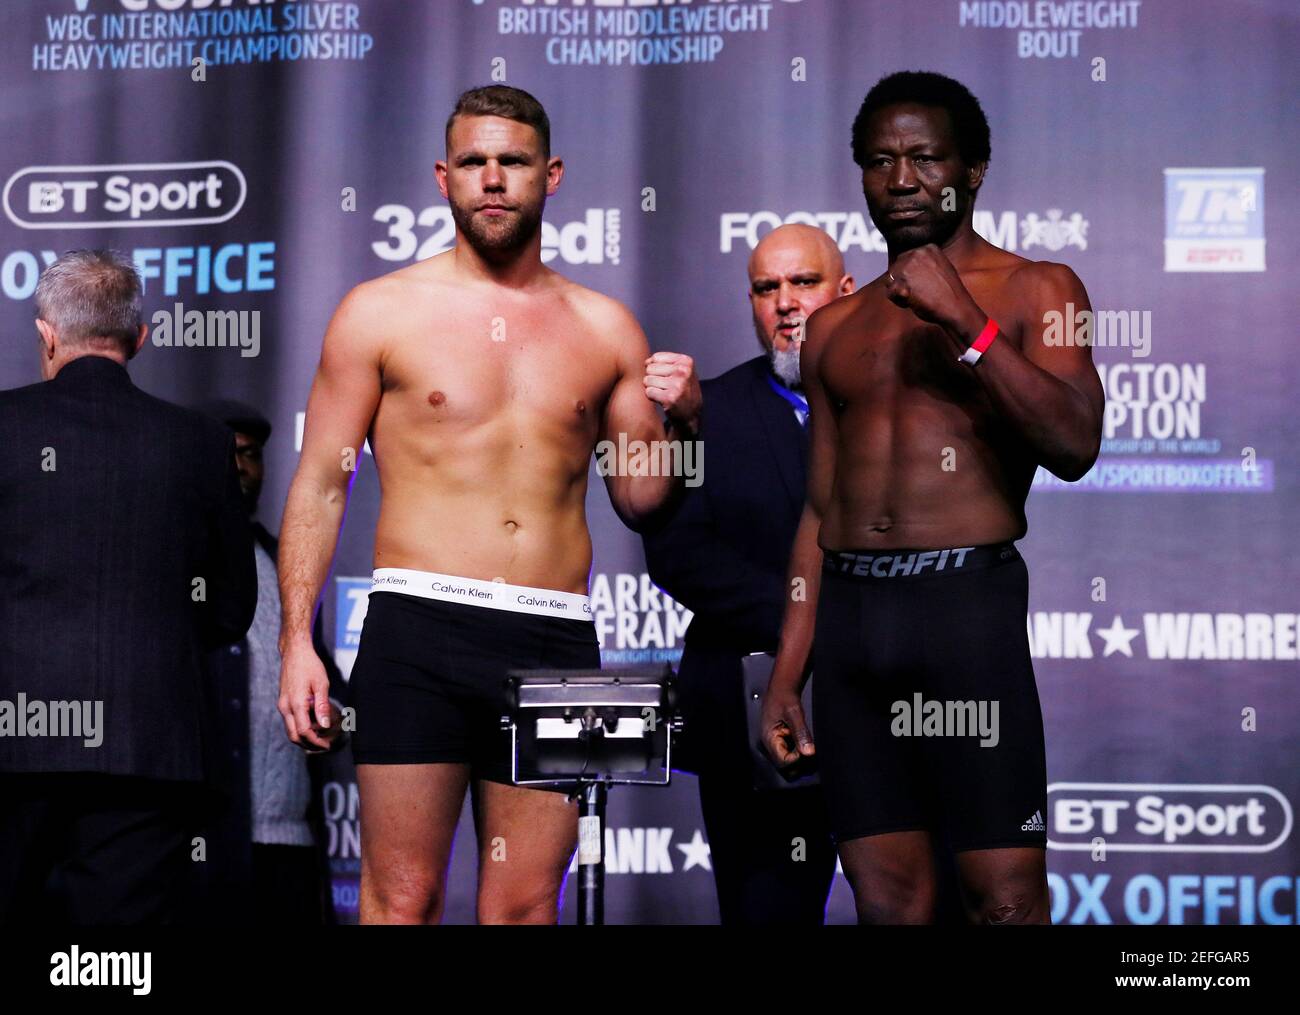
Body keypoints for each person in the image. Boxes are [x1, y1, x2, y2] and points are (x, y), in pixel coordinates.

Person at [276, 85, 701, 925]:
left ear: (552, 174)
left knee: (523, 905)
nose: (494, 179)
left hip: (553, 639)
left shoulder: (606, 327)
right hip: (417, 627)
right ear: (444, 177)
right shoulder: (380, 312)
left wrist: (684, 423)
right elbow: (323, 482)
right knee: (402, 901)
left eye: (512, 161)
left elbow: (643, 499)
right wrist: (297, 640)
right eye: (475, 162)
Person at [760, 71, 1104, 925]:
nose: (902, 179)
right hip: (852, 629)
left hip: (965, 614)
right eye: (880, 161)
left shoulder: (1039, 288)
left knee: (1007, 901)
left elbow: (1075, 443)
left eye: (924, 157)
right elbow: (819, 509)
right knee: (891, 901)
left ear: (974, 169)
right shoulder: (835, 327)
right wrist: (787, 668)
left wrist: (967, 324)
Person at [0, 249, 257, 925]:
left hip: (12, 742)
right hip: (147, 746)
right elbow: (231, 609)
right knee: (114, 964)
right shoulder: (201, 441)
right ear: (140, 338)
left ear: (46, 333)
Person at [642, 224, 850, 924]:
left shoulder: (897, 410)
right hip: (751, 713)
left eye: (804, 283)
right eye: (767, 288)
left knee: (914, 904)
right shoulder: (707, 411)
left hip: (892, 708)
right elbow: (678, 553)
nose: (785, 302)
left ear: (846, 291)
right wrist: (813, 622)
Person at [192, 399, 348, 925]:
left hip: (287, 839)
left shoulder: (289, 568)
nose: (239, 466)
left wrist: (339, 718)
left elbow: (329, 685)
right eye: (224, 454)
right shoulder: (167, 560)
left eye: (251, 454)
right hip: (199, 844)